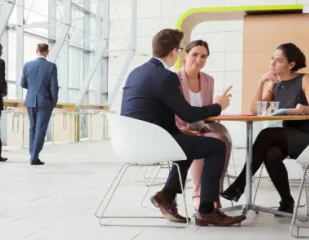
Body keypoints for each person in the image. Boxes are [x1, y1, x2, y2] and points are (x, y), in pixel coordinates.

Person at [120, 28, 245, 226]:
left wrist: (179, 131)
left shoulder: (137, 72)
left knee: (188, 144)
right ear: (174, 52)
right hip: (152, 142)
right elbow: (187, 113)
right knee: (217, 147)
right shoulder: (166, 76)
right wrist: (218, 106)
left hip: (131, 141)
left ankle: (167, 195)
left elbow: (152, 112)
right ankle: (207, 210)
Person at [221, 43, 309, 214]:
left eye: (278, 61)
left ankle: (239, 185)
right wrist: (261, 82)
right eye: (272, 59)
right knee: (271, 154)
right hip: (288, 137)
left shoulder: (304, 80)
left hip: (306, 136)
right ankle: (286, 201)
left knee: (267, 134)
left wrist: (305, 109)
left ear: (291, 65)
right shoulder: (273, 85)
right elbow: (254, 111)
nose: (272, 64)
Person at [174, 40, 232, 211]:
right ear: (185, 55)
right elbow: (173, 112)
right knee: (207, 144)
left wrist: (217, 105)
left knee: (223, 139)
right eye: (195, 55)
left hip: (201, 126)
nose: (199, 59)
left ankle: (213, 193)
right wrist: (186, 129)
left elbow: (205, 112)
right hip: (181, 129)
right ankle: (199, 195)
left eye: (203, 56)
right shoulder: (174, 79)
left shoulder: (208, 80)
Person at [20, 43, 59, 166]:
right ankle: (34, 156)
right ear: (47, 52)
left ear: (37, 51)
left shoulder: (27, 65)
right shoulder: (51, 67)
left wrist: (33, 89)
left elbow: (23, 84)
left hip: (30, 101)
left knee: (32, 127)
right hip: (44, 102)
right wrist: (53, 102)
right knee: (40, 129)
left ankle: (32, 154)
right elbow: (54, 87)